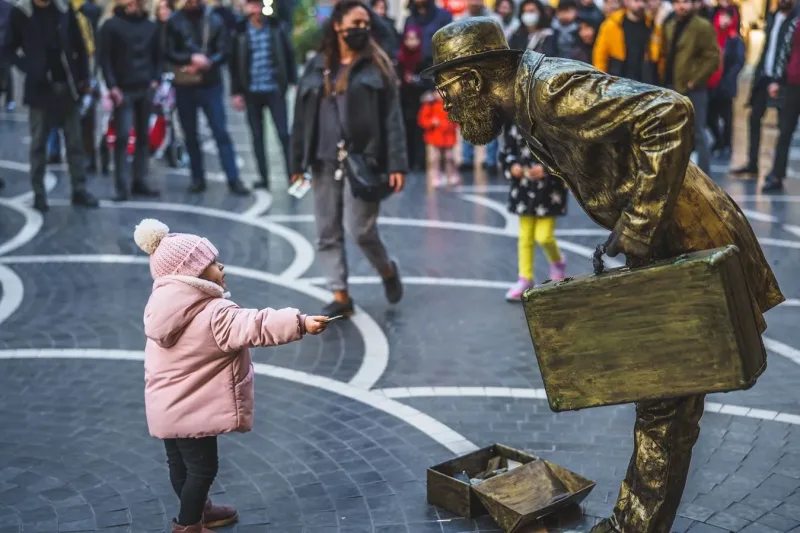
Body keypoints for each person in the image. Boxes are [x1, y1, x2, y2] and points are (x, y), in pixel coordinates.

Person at [422, 17, 783, 533]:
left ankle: (632, 528)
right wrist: (630, 227)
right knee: (667, 403)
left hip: (686, 238)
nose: (446, 104)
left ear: (474, 80)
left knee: (665, 402)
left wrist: (636, 223)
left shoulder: (550, 89)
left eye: (447, 89)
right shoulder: (529, 98)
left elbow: (670, 111)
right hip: (666, 238)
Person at [133, 218, 329, 533]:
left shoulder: (161, 308)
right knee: (203, 468)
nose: (221, 267)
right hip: (192, 410)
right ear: (192, 275)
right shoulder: (215, 314)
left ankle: (198, 510)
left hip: (166, 408)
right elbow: (256, 324)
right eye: (211, 263)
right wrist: (301, 323)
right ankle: (188, 526)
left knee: (179, 465)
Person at [290, 0, 407, 317]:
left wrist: (396, 163)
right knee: (327, 231)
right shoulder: (317, 65)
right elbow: (301, 119)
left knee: (360, 230)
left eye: (366, 24)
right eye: (355, 23)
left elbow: (392, 119)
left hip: (364, 162)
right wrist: (296, 164)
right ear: (338, 25)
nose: (362, 29)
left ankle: (387, 270)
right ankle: (340, 295)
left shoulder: (376, 66)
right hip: (323, 160)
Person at [1, 0, 99, 212]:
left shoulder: (63, 9)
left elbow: (79, 45)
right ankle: (39, 193)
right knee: (38, 145)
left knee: (74, 142)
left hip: (68, 86)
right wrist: (30, 68)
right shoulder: (21, 12)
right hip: (39, 90)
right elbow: (7, 48)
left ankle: (79, 189)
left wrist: (83, 77)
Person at [165, 0, 249, 195]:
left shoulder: (214, 19)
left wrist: (208, 62)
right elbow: (168, 50)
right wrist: (189, 59)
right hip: (185, 84)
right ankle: (197, 178)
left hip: (210, 84)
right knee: (190, 134)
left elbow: (224, 50)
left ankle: (233, 178)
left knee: (220, 132)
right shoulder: (175, 21)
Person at [97, 0, 161, 201]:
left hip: (144, 87)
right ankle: (122, 186)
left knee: (143, 137)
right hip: (123, 90)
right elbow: (104, 59)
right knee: (123, 138)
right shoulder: (111, 25)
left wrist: (155, 80)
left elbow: (158, 56)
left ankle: (139, 180)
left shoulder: (151, 26)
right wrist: (112, 86)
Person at [230, 0, 296, 190]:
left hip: (274, 89)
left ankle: (293, 176)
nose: (256, 10)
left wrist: (293, 81)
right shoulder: (240, 32)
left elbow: (289, 55)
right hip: (251, 91)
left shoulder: (276, 27)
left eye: (258, 5)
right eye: (252, 6)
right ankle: (263, 177)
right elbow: (234, 64)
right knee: (257, 137)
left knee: (284, 134)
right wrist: (236, 93)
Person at [731, 0, 798, 181]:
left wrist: (780, 79)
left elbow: (790, 54)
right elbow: (767, 49)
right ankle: (753, 164)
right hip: (765, 76)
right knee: (754, 118)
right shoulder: (774, 16)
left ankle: (777, 173)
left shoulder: (795, 19)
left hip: (784, 81)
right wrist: (758, 76)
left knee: (784, 128)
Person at [500, 121, 567, 301]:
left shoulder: (549, 119)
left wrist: (546, 168)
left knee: (544, 236)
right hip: (524, 188)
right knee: (525, 237)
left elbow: (564, 151)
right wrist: (512, 166)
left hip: (549, 190)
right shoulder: (514, 123)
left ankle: (558, 262)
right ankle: (525, 278)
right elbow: (507, 150)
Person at [661, 0, 719, 174]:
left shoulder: (702, 26)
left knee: (698, 133)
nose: (682, 6)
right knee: (673, 133)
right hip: (673, 87)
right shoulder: (670, 24)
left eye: (686, 2)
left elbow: (713, 58)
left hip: (694, 89)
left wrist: (695, 80)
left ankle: (705, 175)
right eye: (678, 2)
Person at [764, 11, 800, 192]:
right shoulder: (796, 22)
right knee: (784, 131)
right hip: (793, 85)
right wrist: (777, 80)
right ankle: (777, 175)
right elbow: (785, 50)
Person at [707, 6, 744, 160]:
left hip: (726, 85)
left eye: (728, 17)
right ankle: (719, 141)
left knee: (727, 118)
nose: (725, 20)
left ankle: (726, 145)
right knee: (710, 117)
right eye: (723, 16)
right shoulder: (710, 35)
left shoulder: (735, 39)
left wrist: (727, 78)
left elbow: (739, 61)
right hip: (711, 84)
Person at [593, 0, 661, 84]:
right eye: (636, 1)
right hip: (618, 79)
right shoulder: (612, 24)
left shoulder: (652, 25)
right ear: (626, 2)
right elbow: (600, 55)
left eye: (644, 1)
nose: (641, 4)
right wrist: (601, 80)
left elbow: (658, 57)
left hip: (644, 81)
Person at [397, 25, 429, 172]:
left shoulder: (423, 58)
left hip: (419, 102)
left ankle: (419, 163)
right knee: (405, 132)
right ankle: (407, 162)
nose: (412, 42)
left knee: (419, 133)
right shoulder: (400, 59)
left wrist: (416, 81)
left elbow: (429, 80)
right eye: (409, 38)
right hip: (404, 102)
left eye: (415, 38)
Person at [418, 90, 458, 186]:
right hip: (434, 136)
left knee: (449, 157)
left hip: (448, 135)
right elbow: (422, 119)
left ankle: (451, 174)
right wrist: (432, 122)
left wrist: (453, 125)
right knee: (435, 158)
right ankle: (436, 176)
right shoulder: (430, 105)